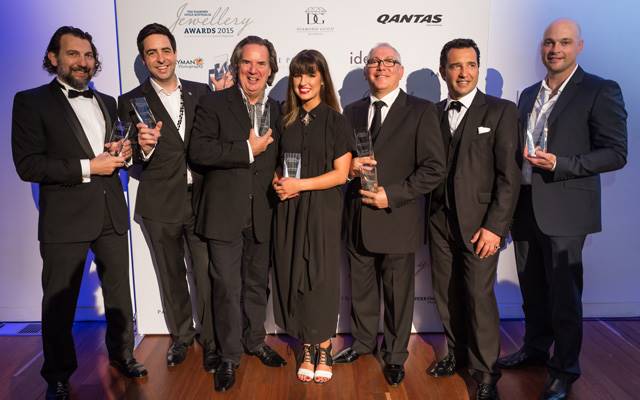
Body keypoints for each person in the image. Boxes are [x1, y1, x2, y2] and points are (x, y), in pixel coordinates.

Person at [11, 26, 146, 400]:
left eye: (87, 55)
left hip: (110, 214)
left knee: (120, 293)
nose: (82, 62)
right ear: (53, 58)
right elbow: (29, 165)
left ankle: (122, 356)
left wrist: (126, 153)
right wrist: (91, 166)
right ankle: (57, 374)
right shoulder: (30, 101)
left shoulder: (108, 101)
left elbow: (117, 151)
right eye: (73, 54)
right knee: (59, 301)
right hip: (64, 220)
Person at [496, 19, 627, 400]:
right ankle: (536, 350)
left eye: (565, 43)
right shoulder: (528, 94)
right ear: (542, 47)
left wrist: (562, 164)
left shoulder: (600, 90)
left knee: (564, 294)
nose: (556, 49)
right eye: (550, 42)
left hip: (567, 209)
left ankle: (565, 367)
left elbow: (616, 152)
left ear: (579, 46)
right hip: (524, 207)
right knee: (532, 289)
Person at [334, 43, 446, 386]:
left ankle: (396, 355)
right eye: (374, 62)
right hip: (358, 219)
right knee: (362, 289)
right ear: (367, 69)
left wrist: (392, 195)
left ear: (400, 70)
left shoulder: (422, 111)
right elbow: (341, 163)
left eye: (389, 62)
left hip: (397, 218)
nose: (380, 67)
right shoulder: (350, 111)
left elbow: (434, 168)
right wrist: (351, 169)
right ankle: (364, 342)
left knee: (398, 294)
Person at [188, 35, 286, 392]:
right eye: (247, 62)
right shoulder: (213, 103)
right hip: (223, 214)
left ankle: (255, 340)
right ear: (236, 66)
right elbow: (199, 151)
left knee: (257, 285)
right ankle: (229, 356)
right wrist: (247, 149)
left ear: (271, 69)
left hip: (263, 213)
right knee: (227, 288)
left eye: (262, 63)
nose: (254, 70)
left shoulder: (278, 108)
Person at [117, 23, 218, 372]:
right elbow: (124, 155)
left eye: (165, 50)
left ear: (175, 53)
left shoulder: (202, 92)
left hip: (203, 199)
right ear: (144, 60)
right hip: (160, 203)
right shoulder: (130, 101)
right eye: (151, 53)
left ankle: (211, 338)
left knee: (206, 273)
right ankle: (182, 337)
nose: (160, 59)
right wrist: (141, 150)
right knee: (171, 273)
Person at [427, 38, 520, 400]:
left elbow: (509, 177)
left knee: (479, 298)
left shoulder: (500, 111)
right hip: (438, 220)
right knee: (446, 292)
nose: (463, 73)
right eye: (455, 66)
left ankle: (484, 373)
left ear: (478, 68)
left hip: (481, 225)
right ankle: (455, 353)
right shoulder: (432, 113)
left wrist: (496, 227)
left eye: (470, 65)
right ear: (443, 71)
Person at [271, 49, 352, 384]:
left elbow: (341, 173)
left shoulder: (336, 121)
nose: (303, 82)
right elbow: (277, 163)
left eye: (310, 74)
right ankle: (306, 345)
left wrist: (298, 185)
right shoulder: (284, 118)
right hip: (288, 210)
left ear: (322, 79)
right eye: (298, 74)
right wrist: (279, 181)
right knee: (293, 276)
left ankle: (324, 345)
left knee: (320, 278)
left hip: (322, 210)